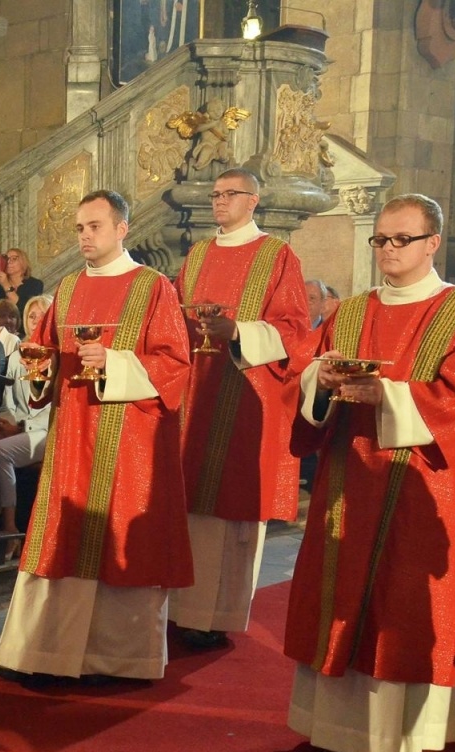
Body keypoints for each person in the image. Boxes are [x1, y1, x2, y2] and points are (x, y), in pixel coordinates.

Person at [285, 194, 455, 752]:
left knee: (401, 605)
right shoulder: (350, 311)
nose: (387, 250)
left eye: (400, 239)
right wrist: (322, 381)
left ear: (433, 242)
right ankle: (331, 728)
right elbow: (304, 382)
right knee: (340, 591)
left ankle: (391, 741)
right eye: (380, 240)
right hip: (348, 481)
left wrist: (391, 395)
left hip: (423, 486)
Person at [0, 190, 193, 683]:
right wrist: (39, 365)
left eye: (95, 227)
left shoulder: (153, 288)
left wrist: (116, 363)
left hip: (130, 441)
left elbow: (175, 367)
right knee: (60, 537)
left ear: (122, 229)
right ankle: (47, 656)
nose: (85, 236)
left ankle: (118, 661)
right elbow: (44, 354)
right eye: (80, 228)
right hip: (73, 435)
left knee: (119, 539)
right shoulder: (69, 287)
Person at [170, 168, 313, 650]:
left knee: (231, 510)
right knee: (192, 504)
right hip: (197, 389)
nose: (219, 202)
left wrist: (239, 334)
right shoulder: (198, 255)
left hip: (247, 395)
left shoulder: (277, 255)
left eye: (229, 194)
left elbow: (294, 329)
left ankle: (220, 615)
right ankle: (183, 608)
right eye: (215, 195)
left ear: (253, 201)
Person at [0, 293, 54, 549]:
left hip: (48, 430)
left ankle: (10, 525)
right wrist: (5, 422)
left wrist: (20, 427)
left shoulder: (56, 354)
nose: (35, 320)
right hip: (19, 429)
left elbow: (53, 407)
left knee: (0, 451)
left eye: (41, 315)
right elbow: (7, 400)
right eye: (31, 315)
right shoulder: (18, 356)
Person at [0, 247, 44, 327]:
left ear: (23, 262)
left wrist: (5, 284)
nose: (9, 262)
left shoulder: (35, 284)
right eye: (7, 259)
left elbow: (24, 308)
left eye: (14, 259)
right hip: (0, 328)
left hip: (23, 328)